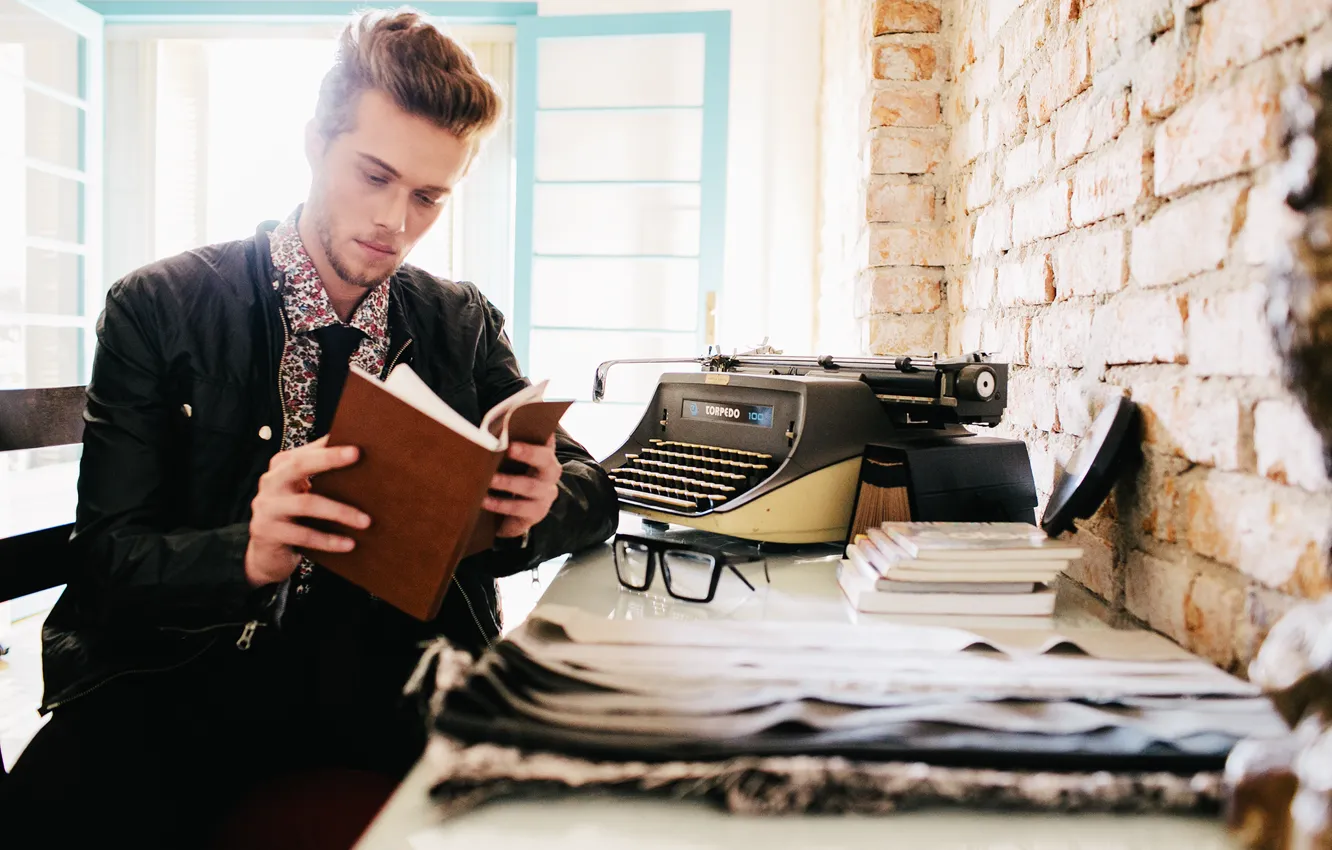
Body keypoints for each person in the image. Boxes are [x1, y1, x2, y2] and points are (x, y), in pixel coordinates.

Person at [0, 10, 618, 846]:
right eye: (373, 176)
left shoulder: (459, 321)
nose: (396, 222)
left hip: (397, 680)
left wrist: (543, 501)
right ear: (315, 142)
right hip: (186, 671)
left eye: (430, 196)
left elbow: (596, 493)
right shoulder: (157, 307)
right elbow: (110, 558)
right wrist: (244, 553)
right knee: (49, 810)